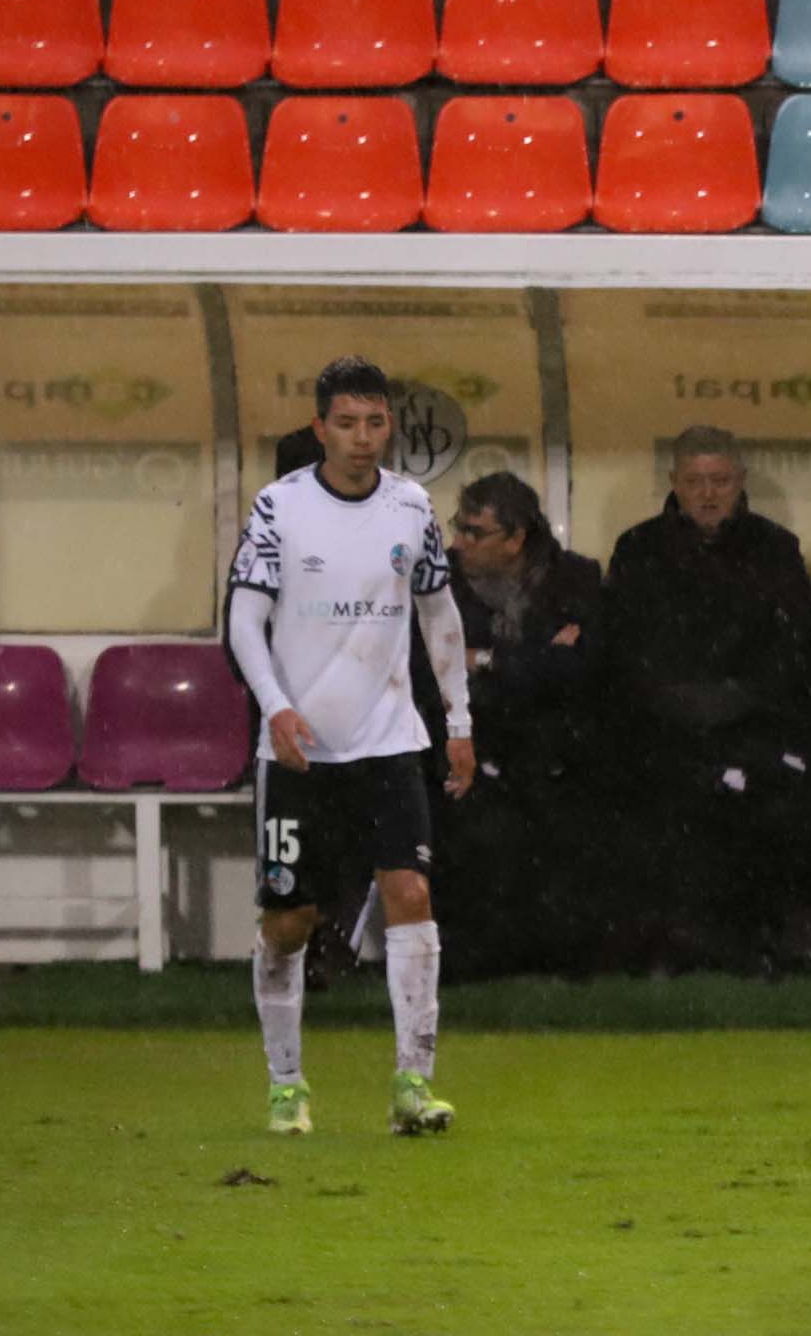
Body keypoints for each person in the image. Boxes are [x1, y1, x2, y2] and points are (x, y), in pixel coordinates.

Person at [228, 356, 473, 1140]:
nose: (362, 438)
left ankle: (413, 1082)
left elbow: (439, 615)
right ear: (319, 428)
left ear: (389, 425)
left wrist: (459, 724)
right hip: (300, 754)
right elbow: (242, 620)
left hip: (388, 743)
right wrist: (275, 708)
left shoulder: (411, 507)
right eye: (347, 423)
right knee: (291, 922)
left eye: (375, 423)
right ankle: (286, 1084)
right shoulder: (279, 507)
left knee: (410, 895)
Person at [597, 425, 811, 973]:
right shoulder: (638, 549)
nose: (707, 493)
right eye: (695, 481)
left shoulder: (776, 549)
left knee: (764, 797)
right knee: (652, 798)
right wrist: (678, 703)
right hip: (659, 725)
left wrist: (734, 701)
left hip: (754, 722)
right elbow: (622, 650)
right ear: (674, 482)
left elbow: (794, 650)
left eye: (719, 480)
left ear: (740, 482)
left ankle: (754, 944)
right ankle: (666, 944)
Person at [436, 472, 606, 982]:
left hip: (552, 743)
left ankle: (558, 961)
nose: (460, 542)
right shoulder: (438, 579)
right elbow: (427, 663)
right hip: (467, 736)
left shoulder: (575, 577)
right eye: (459, 527)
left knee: (565, 818)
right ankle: (473, 963)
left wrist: (483, 658)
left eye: (475, 532)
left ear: (516, 539)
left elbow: (579, 668)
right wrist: (536, 658)